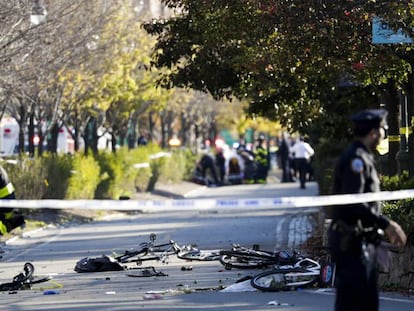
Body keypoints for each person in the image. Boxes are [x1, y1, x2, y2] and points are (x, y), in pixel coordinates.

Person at [328, 109, 407, 311]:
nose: (384, 133)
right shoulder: (356, 159)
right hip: (351, 243)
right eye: (383, 129)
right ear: (373, 132)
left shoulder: (362, 156)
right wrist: (387, 224)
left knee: (365, 301)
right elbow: (355, 202)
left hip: (359, 240)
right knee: (354, 303)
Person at [0, 165, 24, 236]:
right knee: (3, 224)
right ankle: (17, 221)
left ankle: (16, 221)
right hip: (9, 202)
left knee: (3, 225)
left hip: (4, 203)